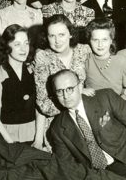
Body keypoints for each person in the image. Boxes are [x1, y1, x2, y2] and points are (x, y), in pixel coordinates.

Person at [33, 14, 91, 150]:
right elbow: (43, 104)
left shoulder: (84, 51)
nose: (57, 40)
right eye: (52, 36)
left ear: (70, 34)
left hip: (87, 117)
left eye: (61, 35)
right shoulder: (43, 59)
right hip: (58, 124)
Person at [0, 24, 36, 143]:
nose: (23, 49)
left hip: (35, 134)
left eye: (26, 43)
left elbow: (39, 109)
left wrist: (39, 139)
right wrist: (11, 144)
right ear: (6, 46)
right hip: (9, 137)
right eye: (17, 44)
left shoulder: (32, 70)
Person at [83, 18, 124, 93]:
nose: (100, 44)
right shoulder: (85, 59)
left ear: (111, 40)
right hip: (93, 102)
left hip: (117, 103)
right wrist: (82, 90)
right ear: (89, 40)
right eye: (95, 40)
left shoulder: (121, 61)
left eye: (104, 39)